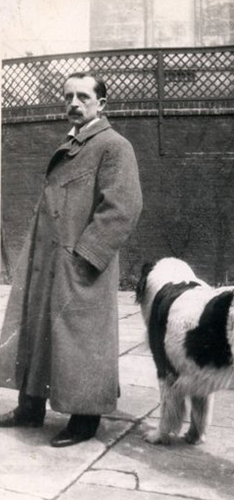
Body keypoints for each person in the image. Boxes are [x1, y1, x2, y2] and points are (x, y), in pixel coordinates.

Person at [0, 71, 142, 447]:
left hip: (79, 266)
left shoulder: (113, 146)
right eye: (68, 97)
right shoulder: (74, 142)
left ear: (102, 103)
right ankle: (30, 408)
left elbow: (123, 207)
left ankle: (85, 420)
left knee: (81, 340)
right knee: (35, 331)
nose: (73, 104)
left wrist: (85, 258)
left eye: (83, 96)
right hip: (47, 260)